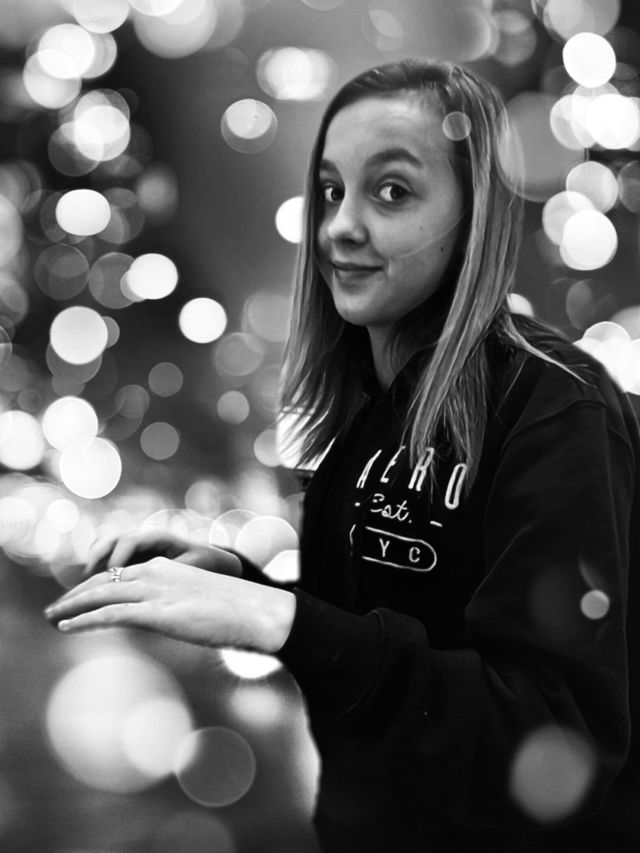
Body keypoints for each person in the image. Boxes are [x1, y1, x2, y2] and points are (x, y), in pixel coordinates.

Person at [45, 59, 640, 852]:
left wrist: (284, 620)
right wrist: (243, 585)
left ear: (476, 214)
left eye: (391, 191)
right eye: (330, 191)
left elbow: (554, 743)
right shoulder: (366, 404)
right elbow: (381, 648)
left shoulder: (559, 410)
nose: (339, 227)